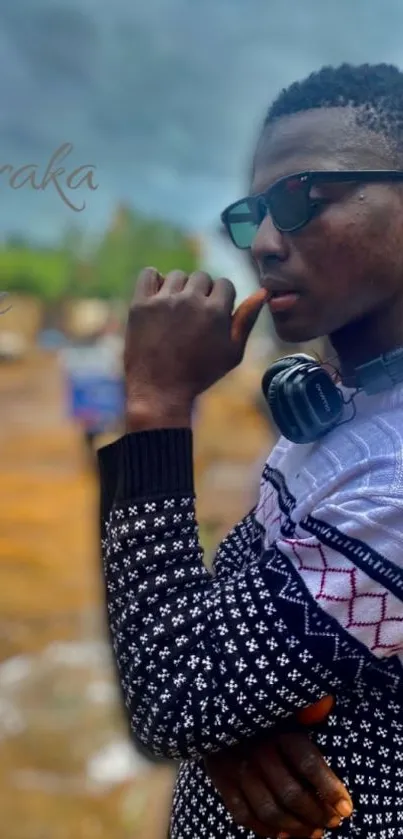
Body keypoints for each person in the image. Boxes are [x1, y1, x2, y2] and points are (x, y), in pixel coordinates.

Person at [98, 62, 403, 838]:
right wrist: (228, 733)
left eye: (304, 200)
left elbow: (169, 694)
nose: (264, 243)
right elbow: (207, 643)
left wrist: (156, 403)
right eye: (255, 214)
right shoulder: (346, 403)